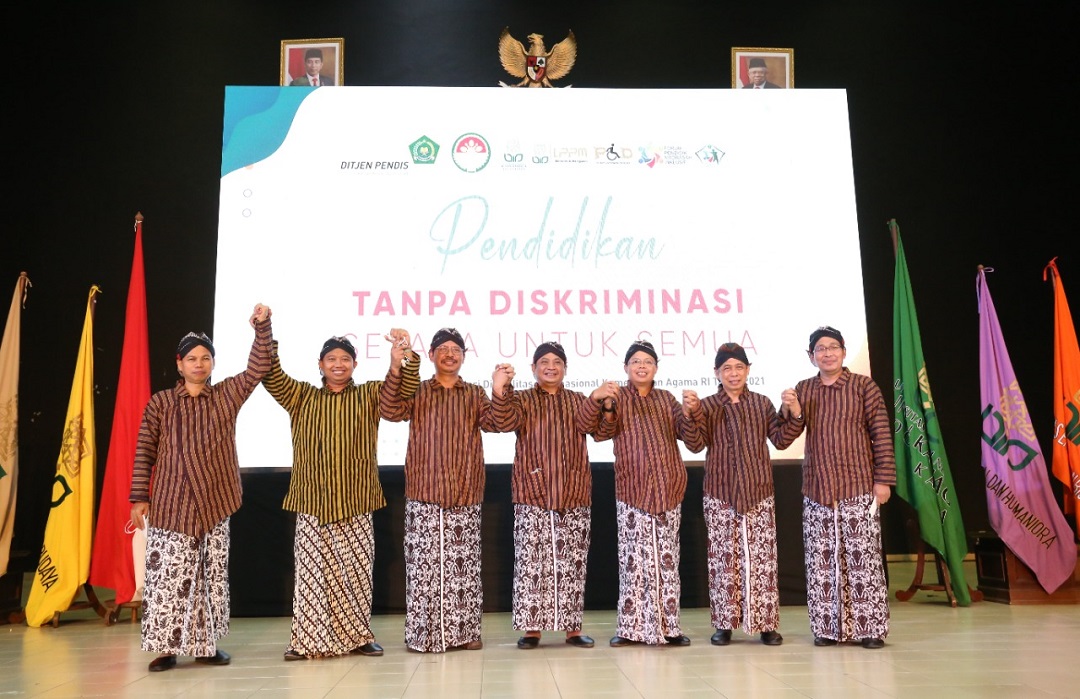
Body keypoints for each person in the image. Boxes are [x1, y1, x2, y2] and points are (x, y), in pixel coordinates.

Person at [263, 326, 421, 661]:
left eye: (345, 359)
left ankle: (358, 637)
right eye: (332, 358)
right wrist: (264, 330)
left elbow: (404, 392)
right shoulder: (301, 395)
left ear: (355, 364)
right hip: (313, 501)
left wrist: (399, 360)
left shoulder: (367, 395)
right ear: (320, 364)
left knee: (356, 575)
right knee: (311, 579)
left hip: (356, 500)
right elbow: (271, 374)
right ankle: (306, 641)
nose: (338, 364)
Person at [129, 304, 272, 672]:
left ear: (212, 364)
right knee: (168, 580)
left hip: (214, 503)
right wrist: (138, 498)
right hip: (171, 505)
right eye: (191, 358)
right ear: (179, 364)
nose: (198, 364)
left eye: (205, 358)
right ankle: (166, 649)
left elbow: (258, 369)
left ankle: (206, 647)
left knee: (211, 577)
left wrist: (262, 327)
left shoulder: (225, 395)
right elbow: (144, 449)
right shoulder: (160, 403)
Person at [380, 327, 515, 652]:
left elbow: (498, 423)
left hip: (465, 493)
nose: (450, 354)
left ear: (464, 357)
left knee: (463, 569)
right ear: (431, 356)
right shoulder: (418, 390)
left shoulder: (472, 394)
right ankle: (423, 636)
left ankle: (467, 633)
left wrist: (499, 389)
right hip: (424, 491)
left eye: (456, 349)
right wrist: (396, 366)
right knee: (423, 569)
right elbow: (390, 409)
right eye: (443, 349)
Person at [493, 341, 620, 650]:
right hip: (532, 493)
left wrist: (604, 405)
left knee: (572, 565)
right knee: (531, 565)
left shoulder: (578, 400)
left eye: (557, 362)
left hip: (573, 493)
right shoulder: (521, 399)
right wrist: (499, 389)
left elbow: (599, 432)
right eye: (544, 362)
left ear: (565, 369)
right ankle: (532, 629)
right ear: (533, 368)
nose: (551, 366)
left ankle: (572, 628)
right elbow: (503, 422)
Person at [682, 343, 803, 647]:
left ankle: (766, 625)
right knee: (724, 562)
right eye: (726, 369)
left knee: (761, 562)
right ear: (716, 373)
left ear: (748, 370)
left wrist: (794, 413)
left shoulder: (762, 403)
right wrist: (691, 415)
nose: (733, 373)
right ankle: (725, 624)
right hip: (720, 493)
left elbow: (781, 439)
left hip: (758, 492)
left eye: (738, 367)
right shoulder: (707, 405)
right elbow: (695, 445)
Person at [791, 326, 894, 649]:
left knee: (862, 560)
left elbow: (881, 433)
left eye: (833, 347)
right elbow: (785, 436)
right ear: (811, 357)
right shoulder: (804, 389)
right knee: (821, 561)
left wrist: (883, 480)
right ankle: (826, 628)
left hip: (858, 485)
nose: (827, 353)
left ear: (844, 352)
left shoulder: (864, 386)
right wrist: (793, 412)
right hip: (818, 490)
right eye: (820, 349)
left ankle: (870, 629)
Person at [596, 339, 698, 647]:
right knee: (633, 563)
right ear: (625, 368)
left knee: (667, 563)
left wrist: (692, 412)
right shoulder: (617, 396)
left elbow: (692, 440)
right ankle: (630, 629)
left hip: (668, 489)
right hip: (633, 490)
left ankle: (670, 628)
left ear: (656, 368)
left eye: (648, 361)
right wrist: (609, 408)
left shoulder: (667, 399)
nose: (642, 366)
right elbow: (601, 433)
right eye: (636, 361)